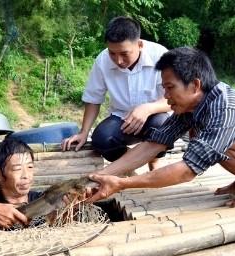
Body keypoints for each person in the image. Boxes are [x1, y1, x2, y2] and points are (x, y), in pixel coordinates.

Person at [87, 47, 235, 207]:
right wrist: (97, 177)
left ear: (196, 85)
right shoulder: (191, 107)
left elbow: (188, 171)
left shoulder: (225, 109)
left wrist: (123, 184)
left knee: (216, 138)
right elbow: (154, 144)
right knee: (200, 132)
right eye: (164, 88)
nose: (166, 96)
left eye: (170, 88)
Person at [61, 16, 171, 171]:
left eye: (124, 53)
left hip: (156, 115)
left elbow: (175, 98)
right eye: (112, 53)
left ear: (139, 45)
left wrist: (147, 109)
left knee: (161, 125)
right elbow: (93, 98)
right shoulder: (102, 60)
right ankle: (128, 164)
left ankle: (153, 159)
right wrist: (84, 132)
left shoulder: (161, 56)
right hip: (122, 117)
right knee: (101, 139)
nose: (118, 60)